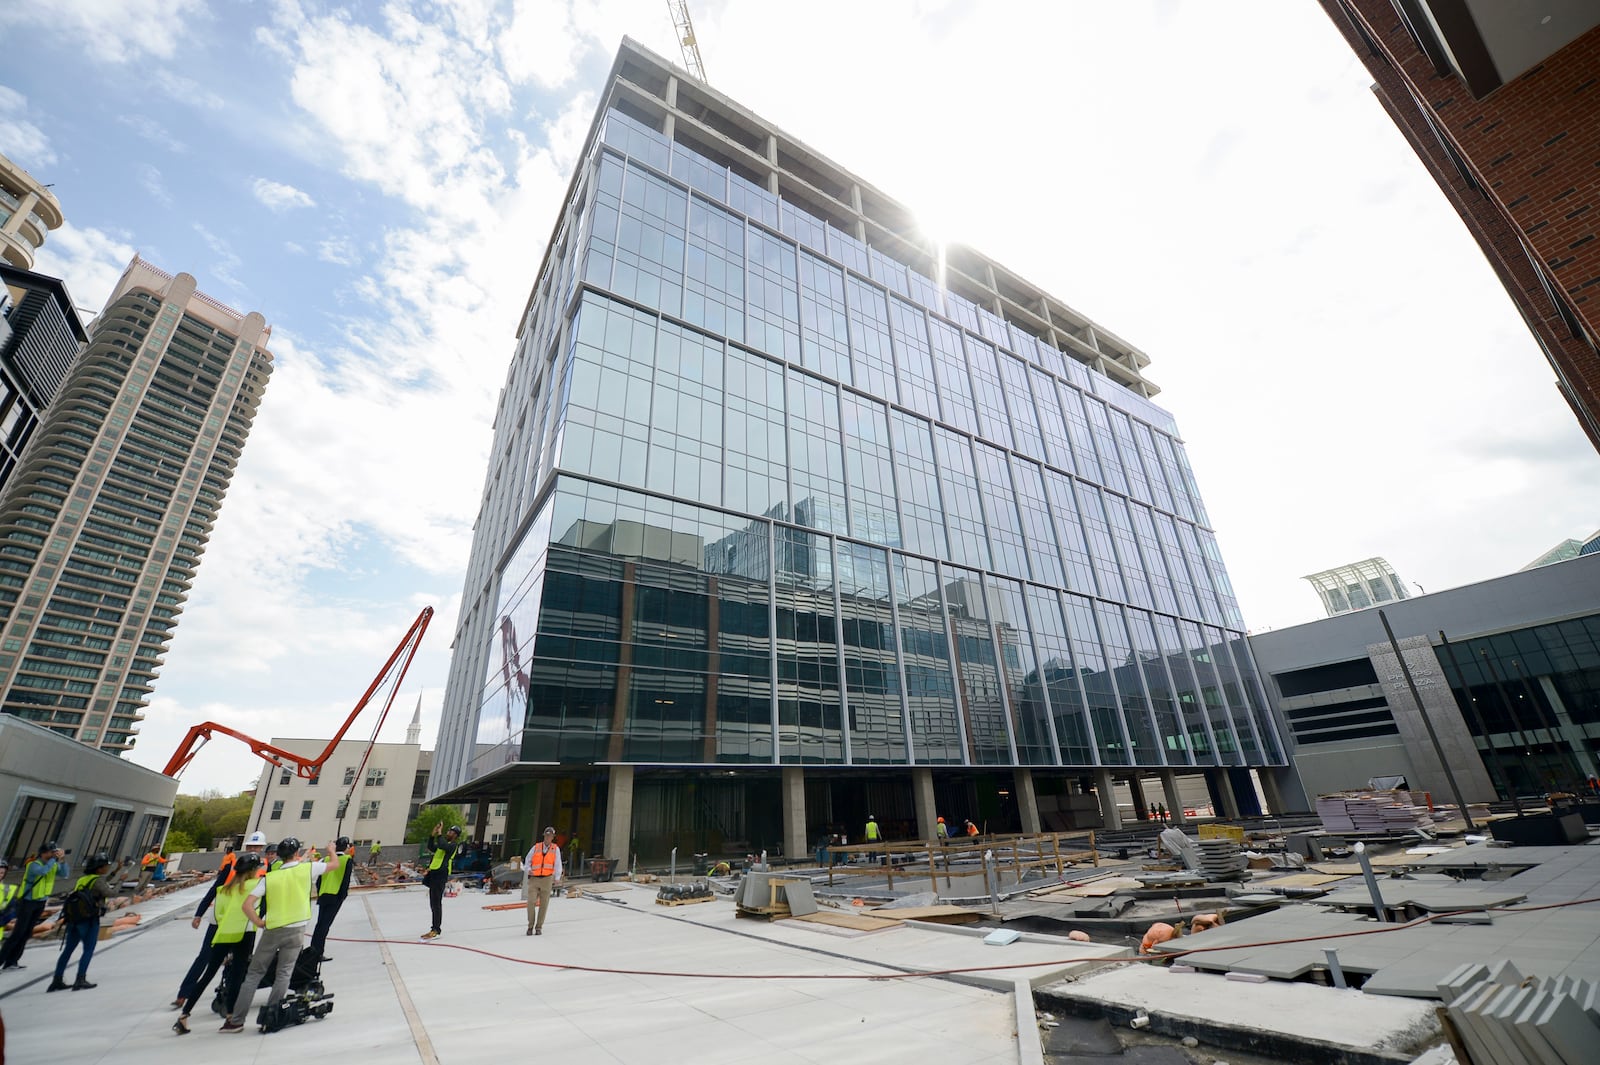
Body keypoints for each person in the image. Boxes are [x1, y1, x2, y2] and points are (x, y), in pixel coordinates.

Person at [221, 838, 333, 1033]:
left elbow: (247, 905)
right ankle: (272, 1014)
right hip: (296, 928)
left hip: (273, 929)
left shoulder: (270, 877)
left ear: (278, 856)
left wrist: (258, 922)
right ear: (297, 853)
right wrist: (331, 850)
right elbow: (334, 864)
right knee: (284, 972)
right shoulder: (306, 869)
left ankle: (236, 1021)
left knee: (254, 974)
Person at [172, 834, 266, 1009]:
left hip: (243, 924)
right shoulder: (233, 867)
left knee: (236, 963)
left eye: (257, 846)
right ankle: (184, 994)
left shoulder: (264, 869)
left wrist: (260, 919)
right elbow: (214, 890)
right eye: (251, 846)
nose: (254, 849)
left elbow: (265, 900)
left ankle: (229, 994)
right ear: (246, 847)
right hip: (221, 922)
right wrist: (199, 914)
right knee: (205, 958)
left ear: (262, 848)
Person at [47, 853, 127, 991]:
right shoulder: (98, 880)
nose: (107, 867)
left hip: (74, 919)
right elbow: (110, 893)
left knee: (68, 950)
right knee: (88, 949)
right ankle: (80, 979)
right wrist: (121, 881)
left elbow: (101, 883)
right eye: (106, 866)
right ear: (99, 868)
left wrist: (115, 871)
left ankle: (57, 980)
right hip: (89, 919)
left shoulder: (83, 879)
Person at [0, 841, 68, 970]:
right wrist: (54, 860)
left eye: (55, 852)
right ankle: (1, 959)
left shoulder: (52, 864)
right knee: (18, 933)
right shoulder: (33, 864)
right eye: (51, 852)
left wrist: (63, 860)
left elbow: (65, 874)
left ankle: (12, 961)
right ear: (43, 853)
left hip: (40, 902)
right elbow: (42, 872)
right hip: (28, 902)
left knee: (27, 933)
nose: (53, 854)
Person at [307, 837, 353, 963]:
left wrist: (320, 891)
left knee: (320, 924)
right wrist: (343, 895)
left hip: (324, 895)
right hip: (336, 896)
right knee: (325, 926)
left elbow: (320, 880)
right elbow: (346, 880)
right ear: (346, 847)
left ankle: (313, 950)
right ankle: (317, 953)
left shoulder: (327, 859)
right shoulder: (346, 859)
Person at [420, 823, 460, 940]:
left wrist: (439, 833)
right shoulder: (443, 844)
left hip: (441, 874)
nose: (448, 833)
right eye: (448, 831)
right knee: (433, 903)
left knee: (437, 903)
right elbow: (431, 846)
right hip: (434, 873)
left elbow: (442, 845)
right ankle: (434, 928)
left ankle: (436, 930)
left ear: (455, 835)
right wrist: (433, 834)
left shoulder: (452, 845)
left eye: (451, 832)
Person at [523, 826, 564, 937]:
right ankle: (530, 925)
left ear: (552, 837)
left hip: (547, 878)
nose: (548, 838)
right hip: (535, 878)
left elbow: (557, 864)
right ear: (544, 836)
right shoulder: (536, 847)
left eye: (550, 836)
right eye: (547, 836)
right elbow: (527, 861)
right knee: (531, 902)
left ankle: (539, 926)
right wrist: (528, 870)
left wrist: (557, 878)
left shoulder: (555, 849)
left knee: (544, 904)